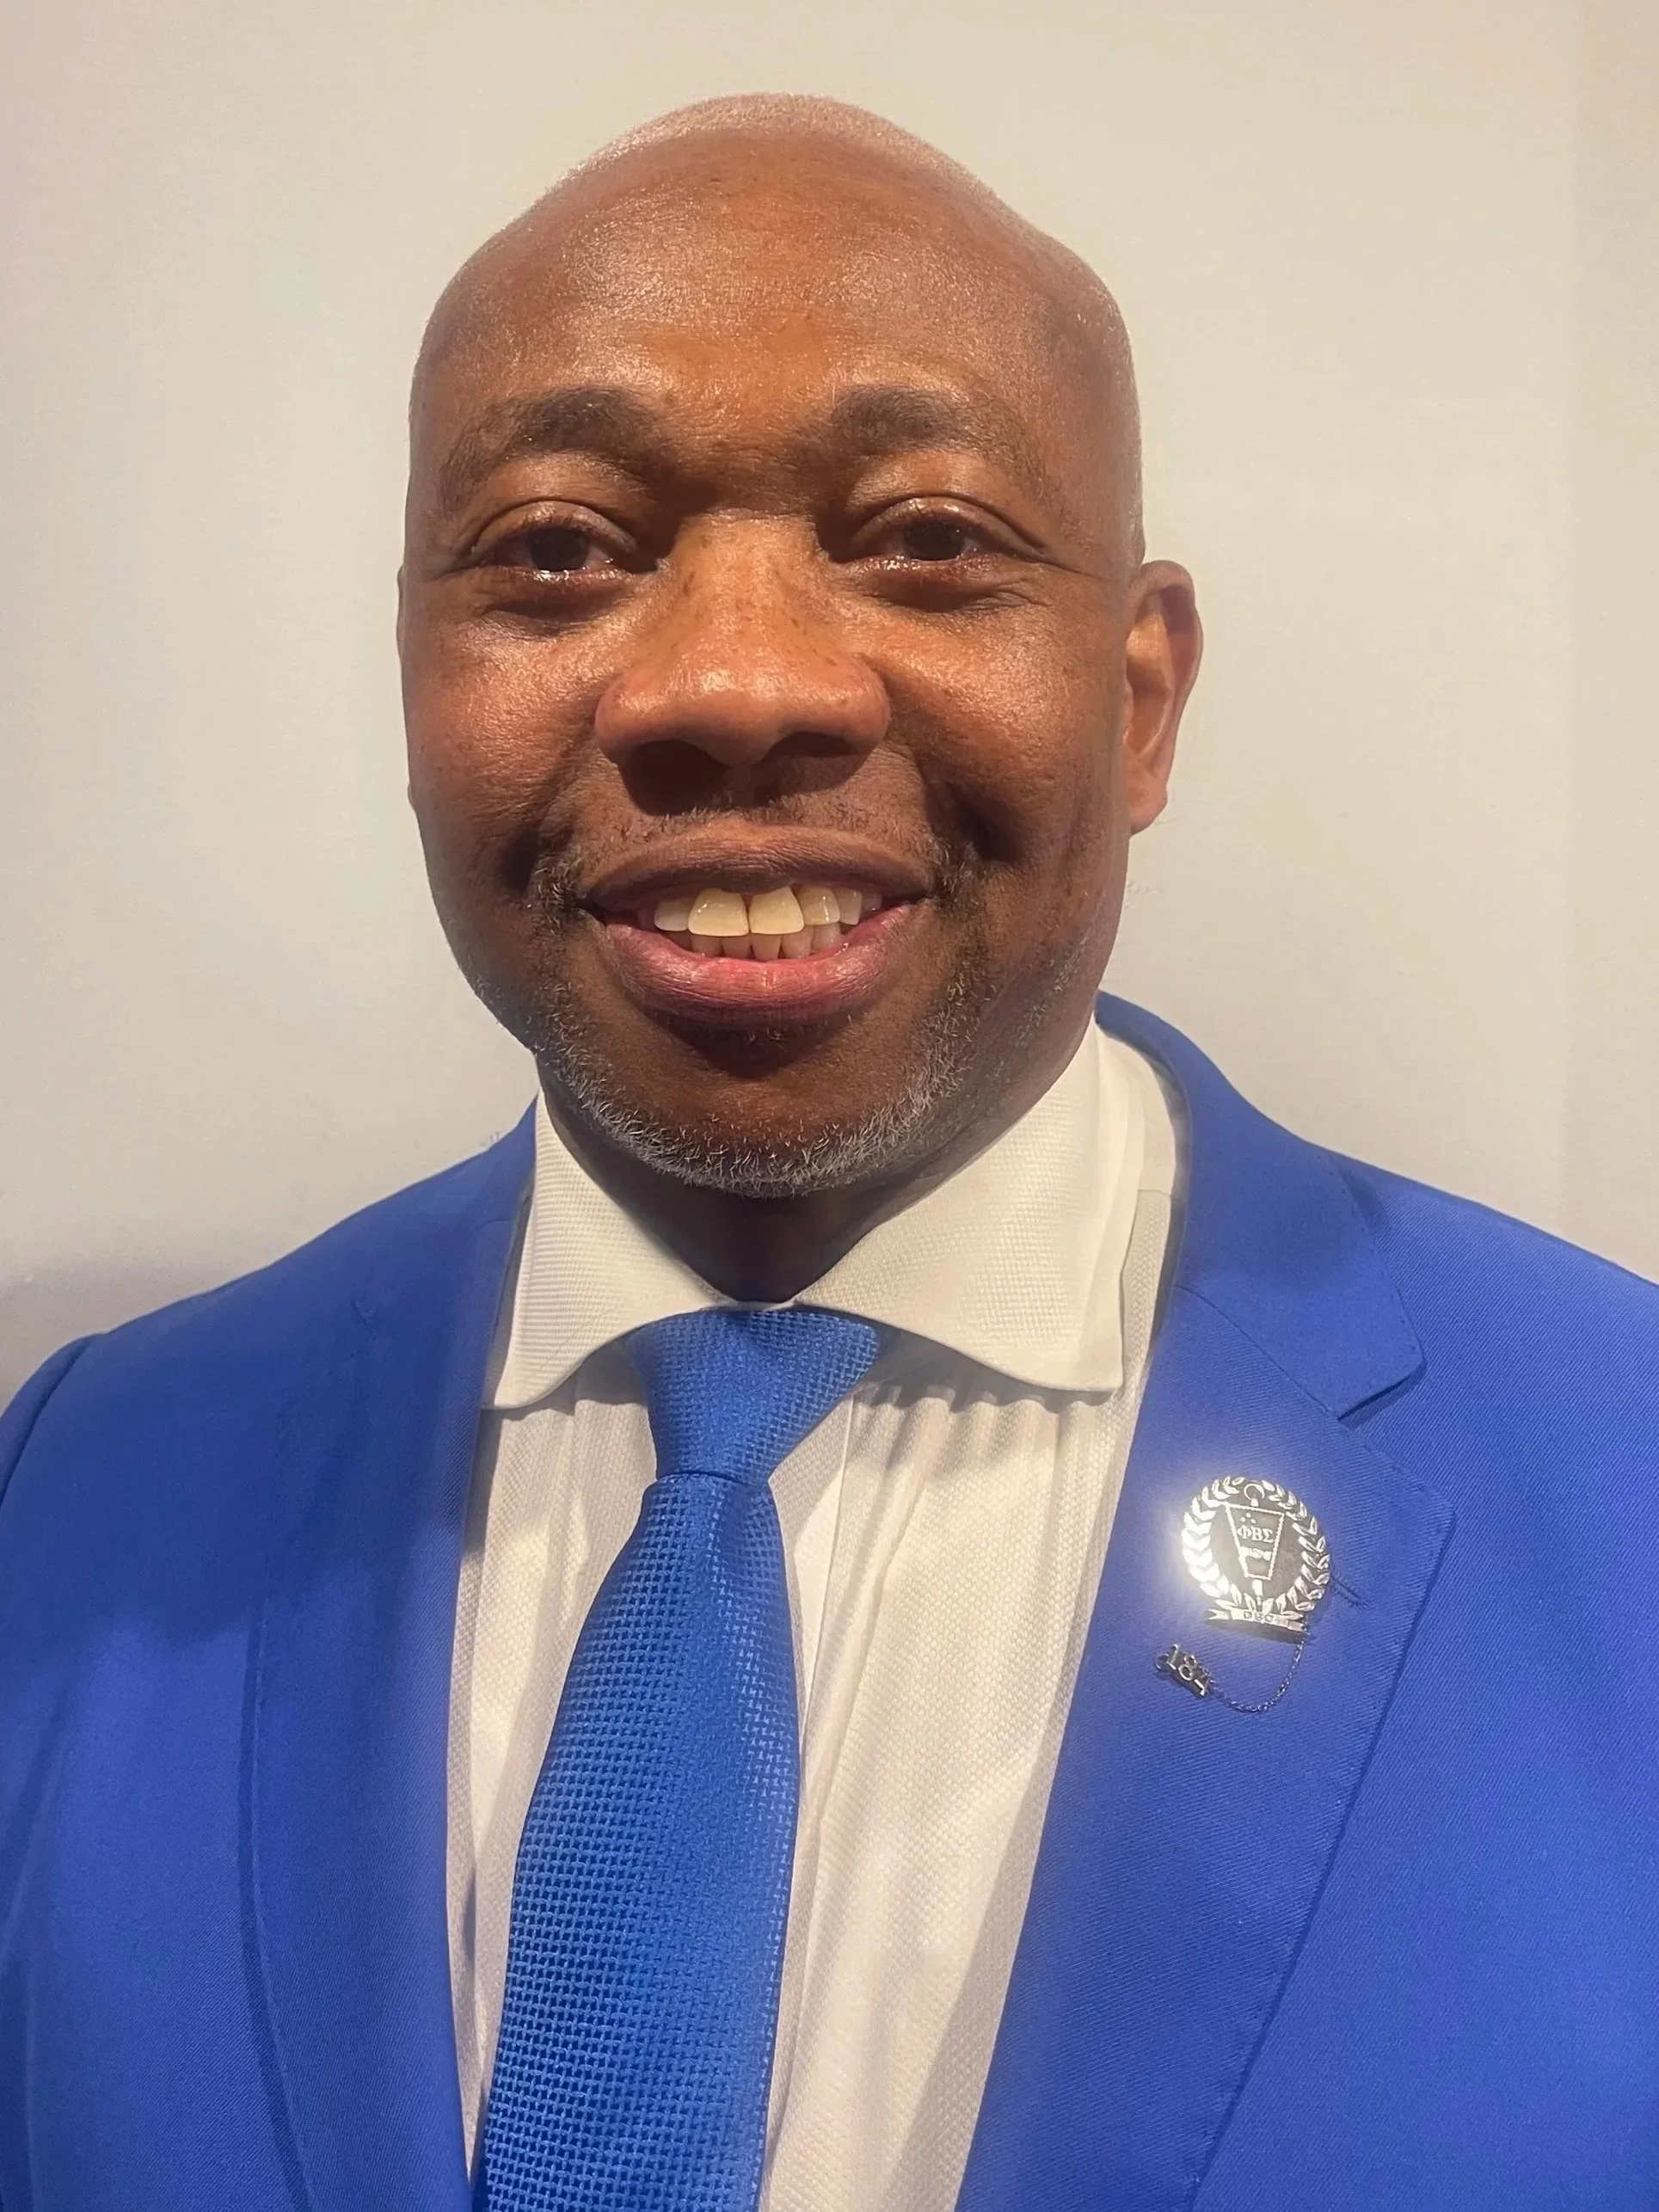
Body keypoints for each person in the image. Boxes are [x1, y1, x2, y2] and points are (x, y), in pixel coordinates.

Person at [2, 92, 1656, 2212]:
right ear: (409, 671)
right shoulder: (87, 1487)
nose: (733, 682)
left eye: (927, 537)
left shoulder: (1615, 1473)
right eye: (558, 550)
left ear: (1140, 698)